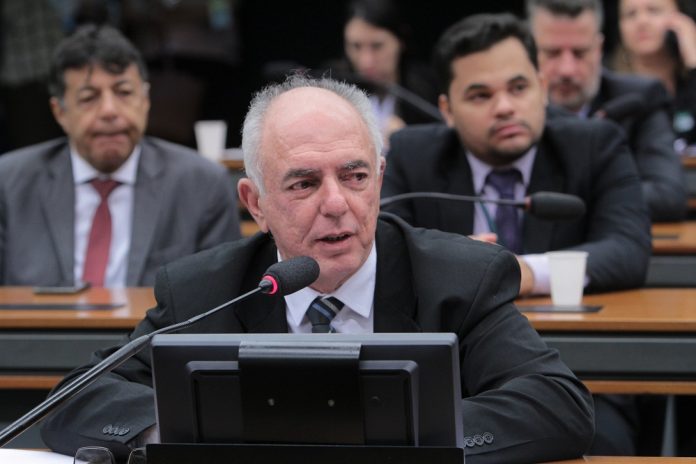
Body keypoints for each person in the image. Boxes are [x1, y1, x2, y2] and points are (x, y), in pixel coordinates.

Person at [40, 75, 594, 463]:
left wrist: (379, 439)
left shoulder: (459, 277)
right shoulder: (205, 291)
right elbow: (73, 401)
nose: (336, 204)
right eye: (304, 183)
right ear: (255, 203)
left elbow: (557, 404)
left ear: (379, 180)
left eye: (355, 177)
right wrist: (197, 435)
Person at [382, 13, 652, 456]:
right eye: (481, 95)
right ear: (447, 110)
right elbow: (387, 251)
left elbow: (627, 249)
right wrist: (451, 264)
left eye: (519, 87)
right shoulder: (414, 154)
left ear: (542, 87)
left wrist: (522, 271)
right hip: (455, 380)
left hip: (582, 378)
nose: (505, 107)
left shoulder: (594, 144)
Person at [0, 24, 241, 288]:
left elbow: (221, 298)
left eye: (124, 93)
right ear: (60, 112)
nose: (109, 111)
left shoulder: (202, 184)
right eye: (89, 97)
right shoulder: (10, 185)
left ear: (145, 100)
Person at [527, 0, 687, 221]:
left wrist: (568, 202)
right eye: (553, 53)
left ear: (599, 49)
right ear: (529, 51)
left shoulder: (638, 99)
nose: (567, 70)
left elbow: (667, 196)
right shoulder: (508, 109)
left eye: (580, 53)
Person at [323, 0, 440, 146]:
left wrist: (411, 141)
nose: (366, 61)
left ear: (400, 41)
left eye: (377, 46)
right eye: (356, 46)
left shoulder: (427, 91)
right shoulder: (331, 88)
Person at [613, 0, 696, 154]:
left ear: (682, 20)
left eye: (653, 10)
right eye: (630, 14)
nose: (641, 21)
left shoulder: (690, 83)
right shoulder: (609, 90)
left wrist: (692, 58)